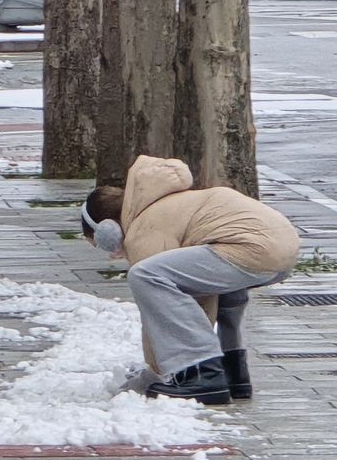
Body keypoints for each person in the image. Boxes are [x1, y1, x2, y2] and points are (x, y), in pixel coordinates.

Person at [81, 155, 300, 406]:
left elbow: (165, 310)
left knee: (144, 274)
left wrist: (153, 375)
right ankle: (233, 371)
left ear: (109, 228)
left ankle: (202, 375)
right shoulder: (174, 201)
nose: (110, 251)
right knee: (219, 285)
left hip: (252, 250)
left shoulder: (145, 226)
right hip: (283, 247)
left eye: (100, 243)